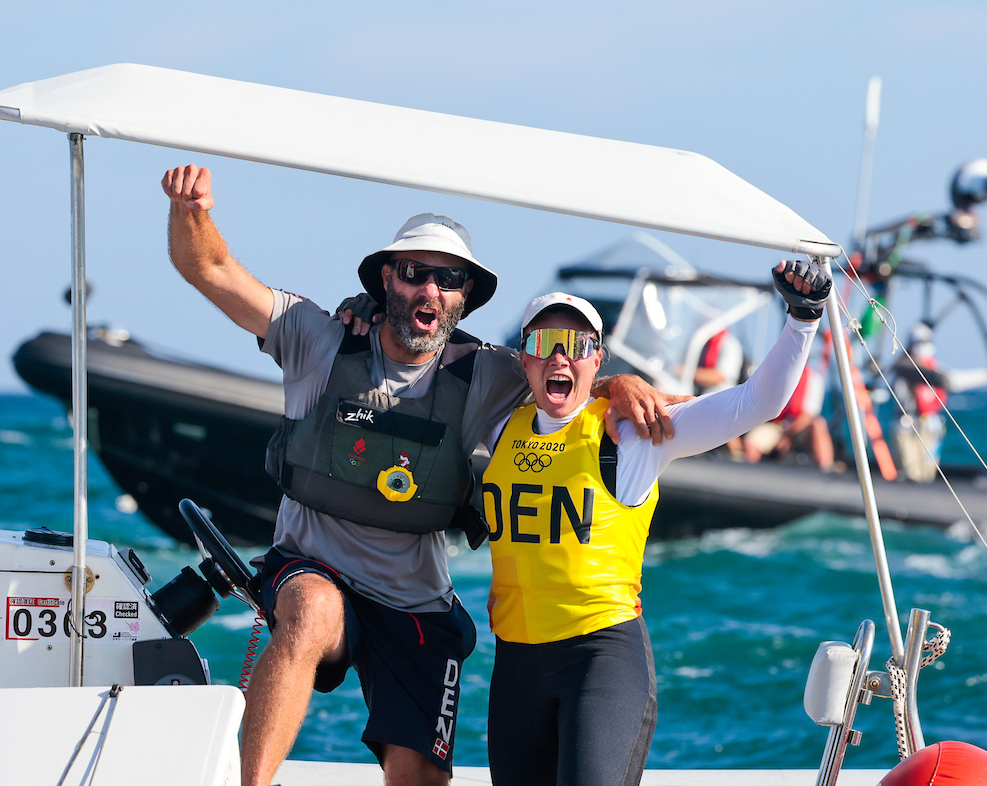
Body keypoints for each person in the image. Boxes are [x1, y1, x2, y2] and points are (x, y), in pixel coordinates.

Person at [160, 164, 685, 786]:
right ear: (387, 278)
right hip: (311, 567)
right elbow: (210, 269)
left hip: (413, 600)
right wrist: (192, 211)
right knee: (312, 608)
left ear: (464, 296)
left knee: (420, 777)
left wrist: (620, 383)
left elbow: (565, 372)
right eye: (413, 272)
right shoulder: (315, 336)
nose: (429, 290)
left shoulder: (486, 373)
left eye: (448, 279)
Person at [481, 259, 831, 786]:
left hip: (599, 659)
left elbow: (756, 403)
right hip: (515, 665)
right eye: (545, 342)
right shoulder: (496, 425)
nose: (559, 355)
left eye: (577, 345)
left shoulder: (632, 433)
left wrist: (803, 317)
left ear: (596, 359)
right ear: (523, 357)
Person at [892, 322, 987, 482]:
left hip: (930, 427)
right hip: (906, 427)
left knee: (927, 474)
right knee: (910, 474)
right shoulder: (903, 367)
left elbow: (954, 380)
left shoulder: (934, 368)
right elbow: (946, 380)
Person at [741, 363, 836, 472]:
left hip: (799, 428)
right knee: (751, 443)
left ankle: (827, 469)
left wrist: (787, 436)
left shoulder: (814, 379)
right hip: (777, 425)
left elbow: (808, 415)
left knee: (819, 424)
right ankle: (750, 473)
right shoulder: (776, 375)